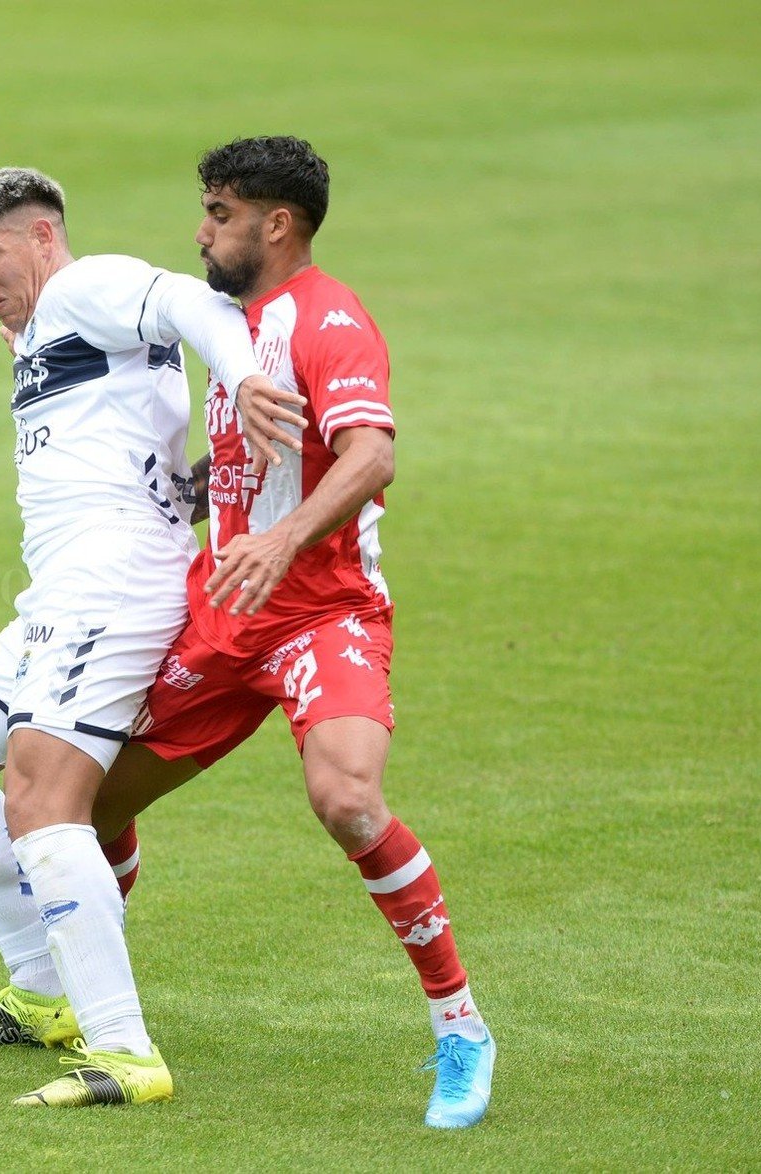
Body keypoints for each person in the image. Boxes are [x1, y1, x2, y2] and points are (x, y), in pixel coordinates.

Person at [81, 135, 495, 1129]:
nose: (200, 230)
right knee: (81, 804)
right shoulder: (228, 322)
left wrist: (282, 541)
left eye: (218, 213)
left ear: (276, 222)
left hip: (320, 614)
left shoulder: (329, 320)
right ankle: (83, 998)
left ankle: (459, 1026)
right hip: (221, 618)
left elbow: (369, 454)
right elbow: (226, 471)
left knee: (346, 797)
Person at [0, 166, 286, 1107]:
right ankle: (43, 995)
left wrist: (241, 377)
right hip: (60, 595)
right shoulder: (53, 327)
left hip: (106, 594)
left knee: (41, 802)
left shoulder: (87, 284)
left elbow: (195, 304)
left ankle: (124, 1052)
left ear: (41, 237)